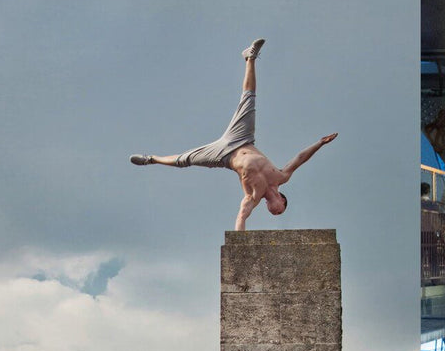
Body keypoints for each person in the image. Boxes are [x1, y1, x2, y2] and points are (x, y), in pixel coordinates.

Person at [130, 39, 338, 231]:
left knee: (185, 160)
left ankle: (151, 159)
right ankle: (250, 57)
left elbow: (241, 216)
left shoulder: (253, 196)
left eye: (274, 214)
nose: (274, 214)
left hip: (223, 156)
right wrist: (319, 143)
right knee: (249, 99)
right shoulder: (281, 176)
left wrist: (239, 247)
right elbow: (300, 158)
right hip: (242, 139)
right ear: (282, 201)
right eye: (279, 212)